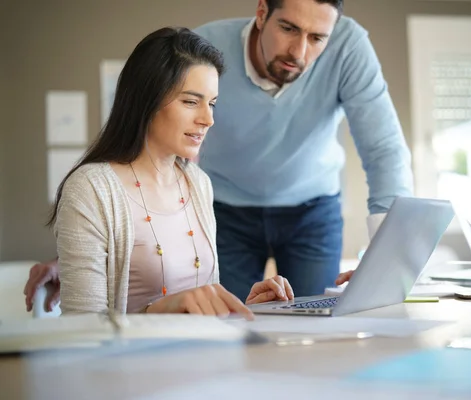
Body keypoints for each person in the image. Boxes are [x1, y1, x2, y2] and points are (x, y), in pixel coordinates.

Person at [24, 0, 413, 309]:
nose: (300, 51)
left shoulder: (349, 47)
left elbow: (385, 149)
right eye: (289, 28)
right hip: (228, 206)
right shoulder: (204, 53)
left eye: (317, 38)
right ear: (262, 13)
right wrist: (88, 258)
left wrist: (387, 255)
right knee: (221, 321)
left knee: (316, 322)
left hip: (311, 208)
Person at [40, 27, 294, 318]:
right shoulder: (91, 189)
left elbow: (198, 304)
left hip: (200, 360)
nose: (208, 119)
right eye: (190, 101)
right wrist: (158, 311)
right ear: (146, 100)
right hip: (130, 364)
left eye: (211, 103)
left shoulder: (197, 183)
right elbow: (82, 329)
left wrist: (243, 310)